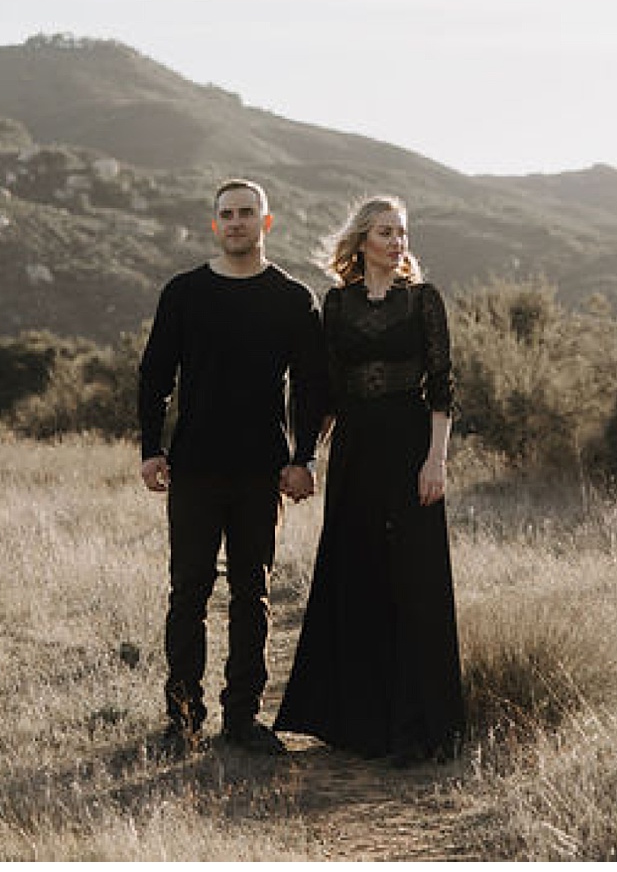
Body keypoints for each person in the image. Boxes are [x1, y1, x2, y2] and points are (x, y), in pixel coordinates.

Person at [136, 178, 327, 756]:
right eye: (227, 214)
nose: (237, 222)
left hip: (259, 472)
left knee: (254, 594)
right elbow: (154, 376)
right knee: (187, 593)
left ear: (266, 223)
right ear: (215, 224)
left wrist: (302, 459)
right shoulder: (185, 293)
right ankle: (184, 720)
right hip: (193, 468)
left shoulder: (294, 300)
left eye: (247, 213)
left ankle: (242, 720)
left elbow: (313, 388)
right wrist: (150, 448)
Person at [275, 194, 466, 764]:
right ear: (361, 241)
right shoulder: (336, 306)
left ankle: (421, 727)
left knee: (416, 576)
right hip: (356, 451)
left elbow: (442, 388)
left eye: (401, 232)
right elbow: (325, 395)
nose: (396, 241)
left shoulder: (423, 301)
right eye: (384, 231)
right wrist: (304, 457)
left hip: (411, 448)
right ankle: (359, 724)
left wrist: (437, 461)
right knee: (358, 572)